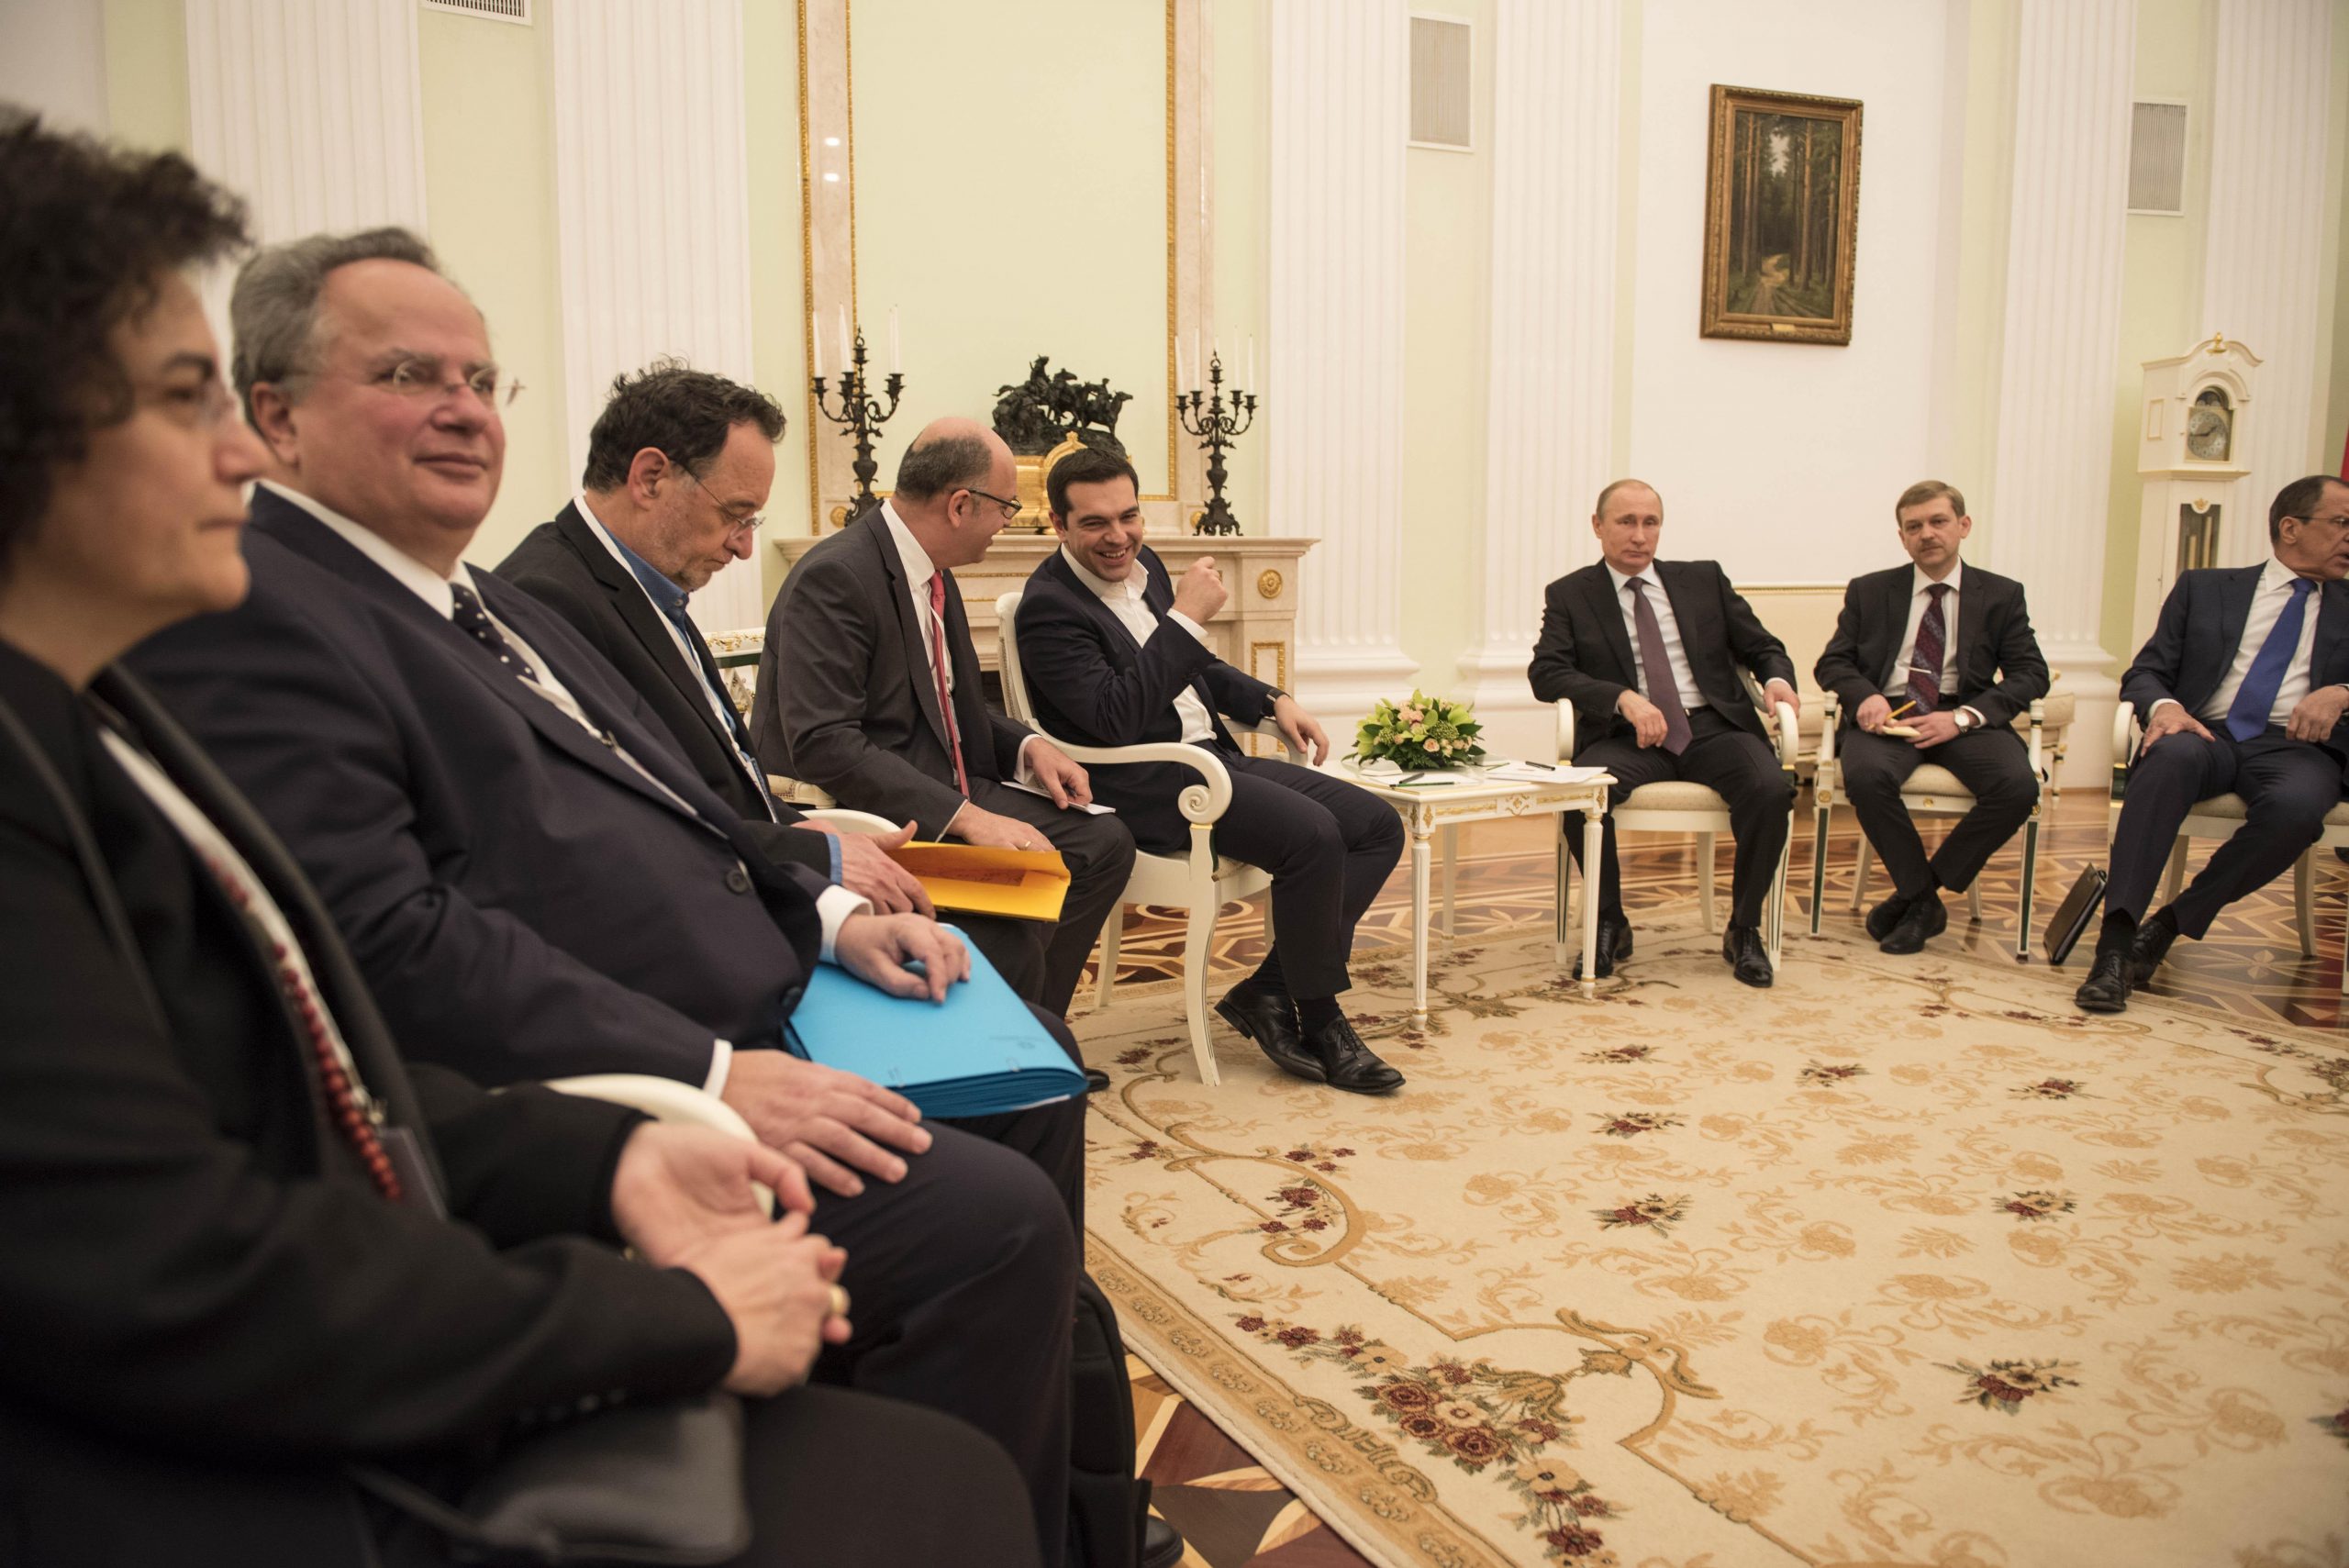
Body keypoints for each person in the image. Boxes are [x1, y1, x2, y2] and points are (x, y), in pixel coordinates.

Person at [0, 112, 1040, 1568]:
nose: (230, 448)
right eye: (190, 397)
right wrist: (672, 1247)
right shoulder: (224, 643)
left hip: (550, 1134)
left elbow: (317, 1058)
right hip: (302, 1441)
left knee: (1022, 1169)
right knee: (977, 1329)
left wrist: (605, 1150)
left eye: (483, 380)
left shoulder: (143, 695)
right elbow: (179, 1242)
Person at [493, 364, 1079, 1029]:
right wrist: (818, 855)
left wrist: (805, 829)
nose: (748, 547)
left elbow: (715, 777)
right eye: (735, 515)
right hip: (700, 922)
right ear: (650, 477)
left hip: (767, 853)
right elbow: (629, 827)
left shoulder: (641, 583)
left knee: (1021, 936)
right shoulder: (548, 599)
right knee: (1010, 959)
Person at [1013, 446, 1406, 1094]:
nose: (1118, 536)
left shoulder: (1145, 569)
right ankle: (1320, 1018)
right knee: (1313, 834)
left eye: (1128, 516)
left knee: (1377, 825)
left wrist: (1273, 700)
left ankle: (1268, 992)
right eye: (1095, 523)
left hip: (1211, 762)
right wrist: (1187, 617)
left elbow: (1195, 665)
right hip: (1148, 782)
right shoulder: (1048, 608)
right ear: (1058, 524)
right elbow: (1115, 718)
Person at [752, 417, 1137, 1018]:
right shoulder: (837, 576)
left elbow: (953, 702)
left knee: (1103, 843)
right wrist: (970, 819)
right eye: (1006, 507)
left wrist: (1028, 746)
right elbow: (824, 742)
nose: (1007, 521)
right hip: (876, 812)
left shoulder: (932, 568)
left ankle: (1034, 1025)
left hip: (946, 784)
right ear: (960, 505)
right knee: (1017, 911)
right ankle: (999, 1026)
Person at [2076, 474, 2349, 1012]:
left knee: (2296, 810)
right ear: (2290, 528)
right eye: (2342, 523)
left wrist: (2342, 692)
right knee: (2164, 760)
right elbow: (2146, 671)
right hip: (2204, 732)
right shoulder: (2204, 588)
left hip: (2296, 748)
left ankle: (2167, 926)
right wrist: (2167, 708)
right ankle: (2113, 948)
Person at [1528, 478, 1800, 987]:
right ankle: (1609, 921)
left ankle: (1744, 929)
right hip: (1628, 737)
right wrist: (1621, 697)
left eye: (1650, 522)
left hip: (1713, 728)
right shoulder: (1571, 594)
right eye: (1626, 522)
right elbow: (1547, 672)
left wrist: (1778, 681)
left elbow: (1762, 647)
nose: (1639, 535)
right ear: (1598, 526)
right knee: (1580, 794)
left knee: (1770, 789)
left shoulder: (1703, 579)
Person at [1814, 481, 2047, 953]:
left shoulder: (2001, 594)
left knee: (2018, 787)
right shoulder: (1871, 590)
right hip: (1890, 715)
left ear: (1963, 525)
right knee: (1866, 776)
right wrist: (1865, 697)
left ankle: (1918, 896)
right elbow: (1833, 663)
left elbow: (2031, 674)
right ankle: (1923, 901)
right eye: (1914, 526)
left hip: (1963, 716)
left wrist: (1963, 718)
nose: (1927, 534)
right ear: (1902, 537)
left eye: (1938, 522)